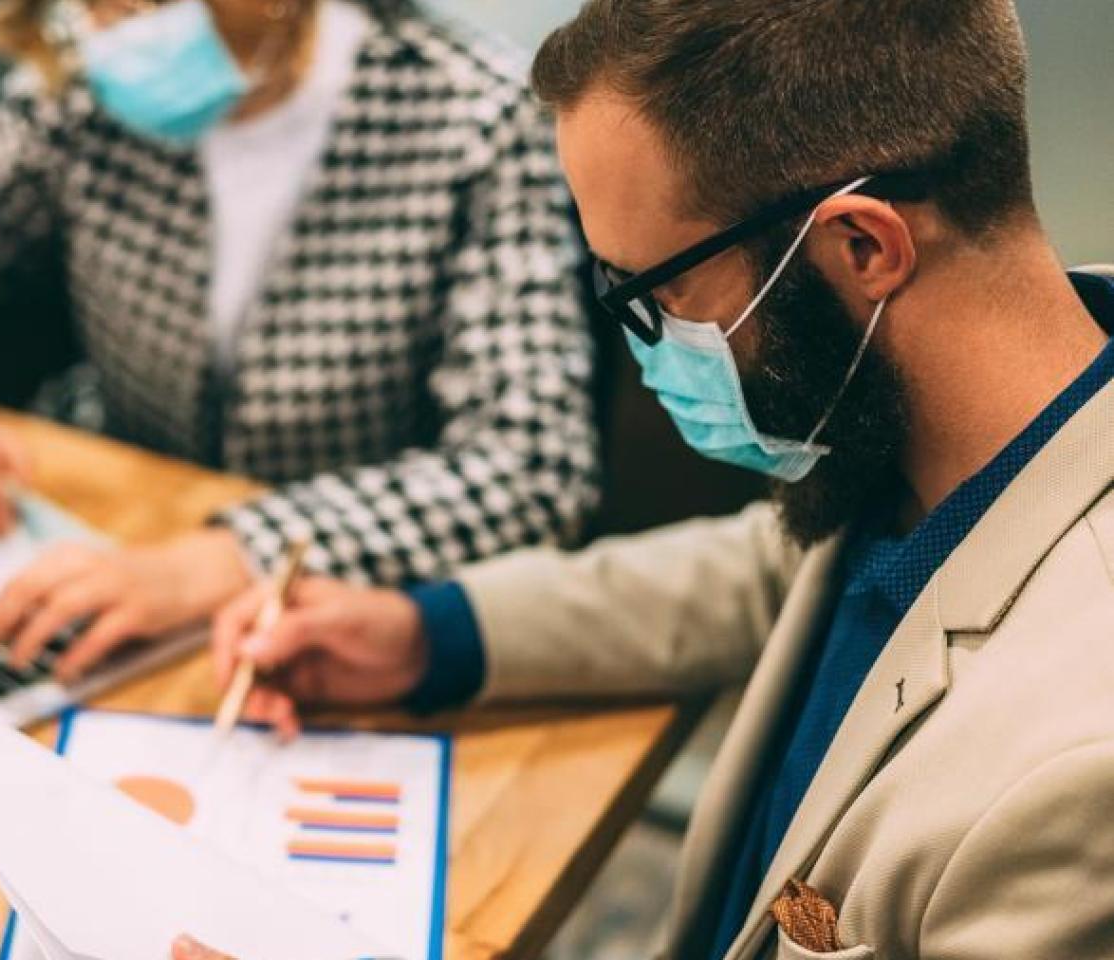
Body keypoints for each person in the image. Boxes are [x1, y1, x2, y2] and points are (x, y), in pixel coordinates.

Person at [178, 0, 1114, 957]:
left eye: (656, 294)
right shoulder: (953, 445)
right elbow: (767, 571)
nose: (650, 348)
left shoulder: (1075, 779)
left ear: (863, 247)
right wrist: (425, 636)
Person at [0, 0, 599, 680]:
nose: (116, 27)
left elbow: (533, 466)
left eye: (148, 2)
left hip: (331, 604)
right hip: (90, 534)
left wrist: (230, 557)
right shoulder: (80, 90)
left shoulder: (475, 121)